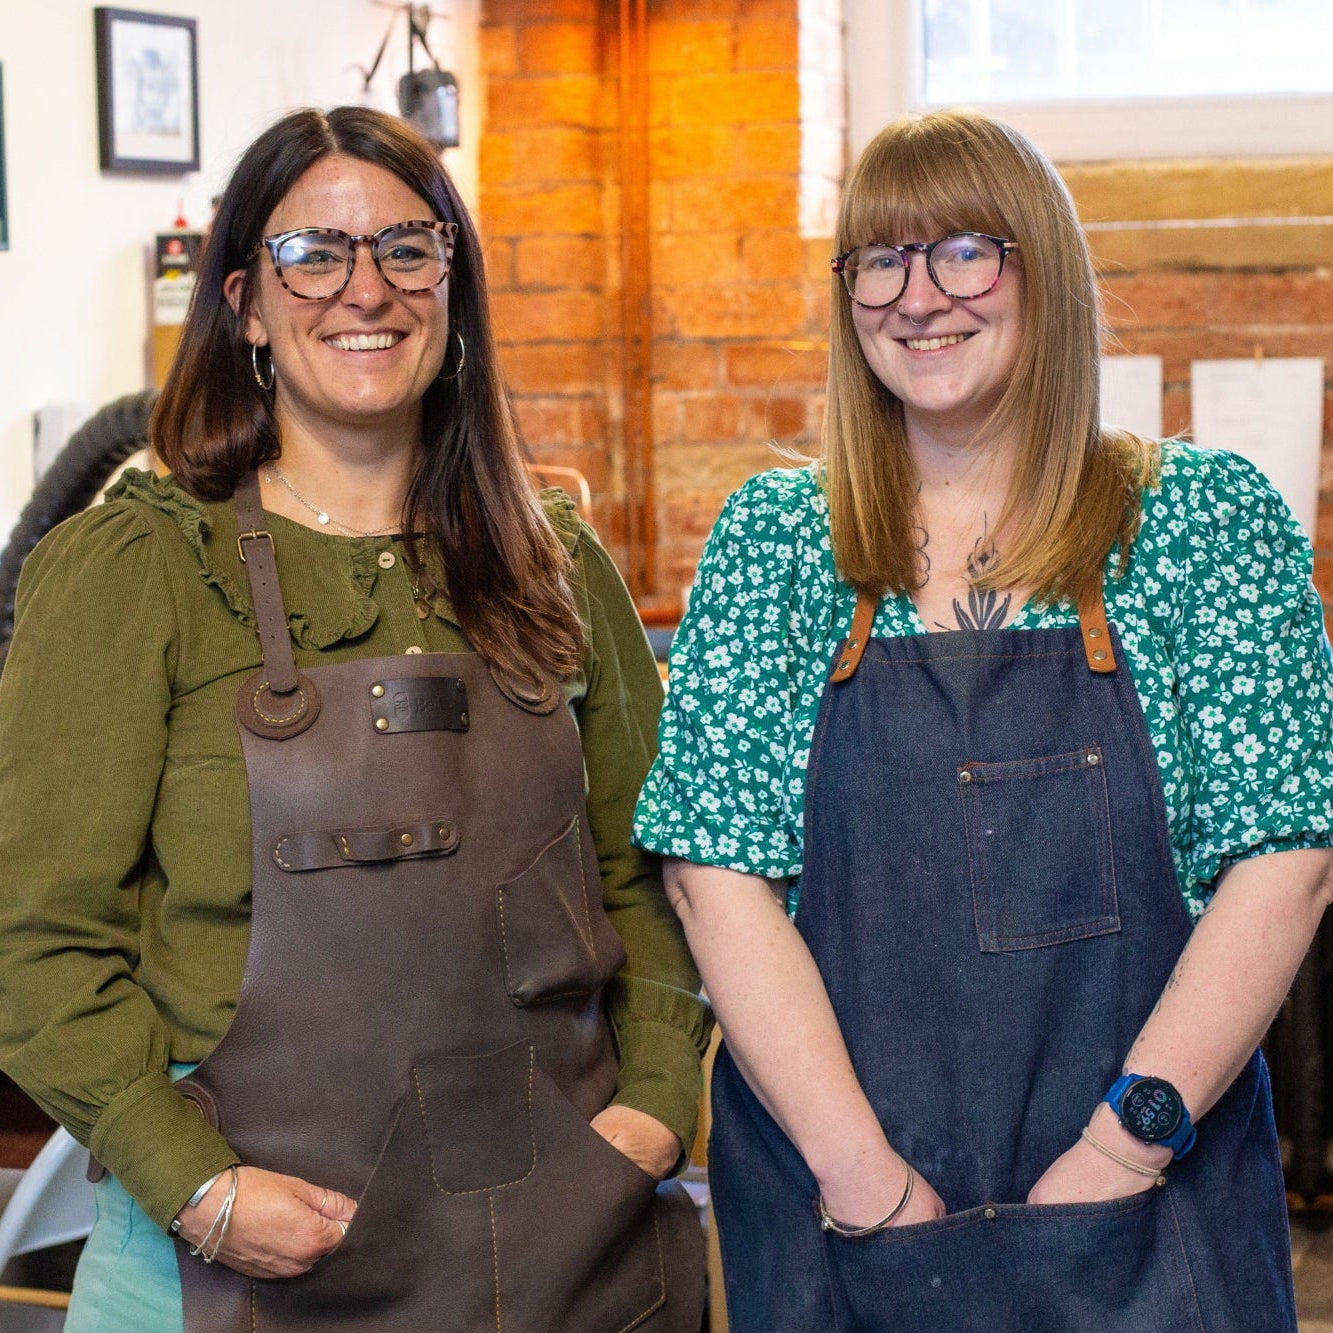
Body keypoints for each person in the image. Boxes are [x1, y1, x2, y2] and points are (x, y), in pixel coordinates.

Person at [0, 106, 707, 1331]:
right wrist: (197, 1186)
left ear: (453, 283)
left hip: (557, 1245)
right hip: (224, 1250)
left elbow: (649, 879)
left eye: (405, 248)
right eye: (311, 254)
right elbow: (35, 935)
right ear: (244, 302)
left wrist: (648, 1112)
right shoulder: (138, 570)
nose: (361, 288)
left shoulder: (558, 568)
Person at [635, 109, 1333, 1331]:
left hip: (1145, 1198)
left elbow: (1288, 860)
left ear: (1043, 271)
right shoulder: (778, 543)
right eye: (880, 260)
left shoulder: (1196, 525)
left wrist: (1123, 1151)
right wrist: (861, 1174)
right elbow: (712, 879)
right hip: (843, 1211)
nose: (918, 296)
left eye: (965, 250)